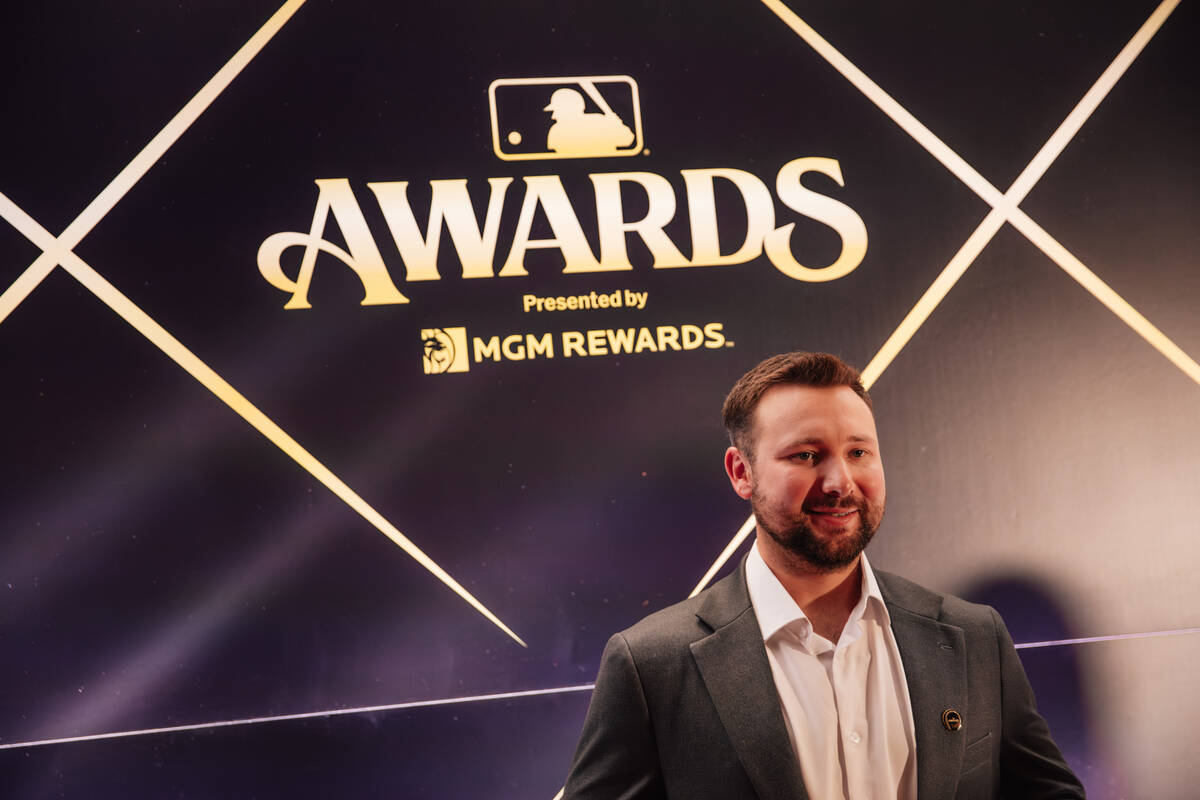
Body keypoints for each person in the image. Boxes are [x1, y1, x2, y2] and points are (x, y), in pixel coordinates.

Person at [562, 352, 1085, 799]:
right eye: (807, 455)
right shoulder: (652, 664)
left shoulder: (973, 636)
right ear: (741, 473)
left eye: (858, 452)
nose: (840, 482)